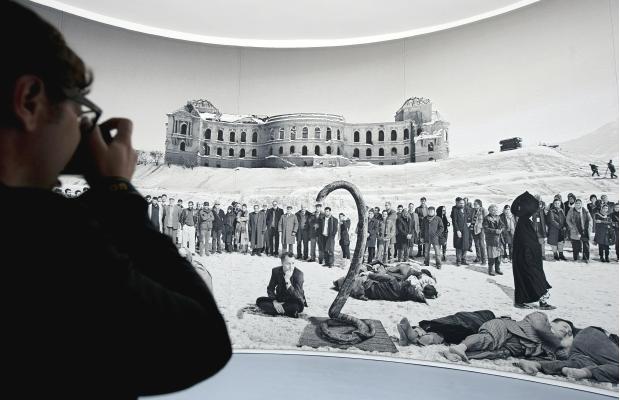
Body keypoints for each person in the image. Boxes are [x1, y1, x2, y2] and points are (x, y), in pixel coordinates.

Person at [0, 2, 231, 396]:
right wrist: (116, 192)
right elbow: (201, 342)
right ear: (30, 101)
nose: (83, 130)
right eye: (81, 111)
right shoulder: (43, 234)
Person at [442, 312, 571, 363]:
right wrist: (560, 343)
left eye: (568, 333)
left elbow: (563, 356)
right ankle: (461, 347)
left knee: (493, 354)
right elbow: (538, 328)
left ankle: (455, 354)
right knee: (488, 339)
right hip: (506, 328)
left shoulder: (548, 347)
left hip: (512, 348)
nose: (566, 331)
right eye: (565, 326)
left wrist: (568, 342)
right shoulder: (541, 317)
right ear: (554, 322)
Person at [518, 326, 618, 384]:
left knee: (578, 364)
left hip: (580, 350)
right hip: (590, 337)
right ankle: (586, 372)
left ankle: (537, 364)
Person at [511, 192, 555, 310]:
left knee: (531, 278)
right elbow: (525, 243)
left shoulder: (525, 221)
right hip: (527, 259)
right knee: (533, 278)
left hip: (530, 258)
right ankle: (531, 301)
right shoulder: (524, 223)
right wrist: (530, 257)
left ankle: (529, 301)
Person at [255, 252, 306, 318]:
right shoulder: (276, 271)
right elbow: (270, 289)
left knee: (295, 307)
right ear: (282, 263)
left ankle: (277, 310)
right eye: (288, 264)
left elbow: (298, 296)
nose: (291, 267)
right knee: (259, 301)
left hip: (294, 301)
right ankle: (285, 311)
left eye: (293, 263)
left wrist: (288, 281)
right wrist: (275, 301)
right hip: (279, 299)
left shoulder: (299, 274)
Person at [333, 270, 434, 303]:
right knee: (356, 284)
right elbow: (415, 295)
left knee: (356, 280)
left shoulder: (393, 281)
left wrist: (368, 274)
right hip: (372, 294)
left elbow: (376, 276)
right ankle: (343, 285)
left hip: (369, 287)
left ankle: (339, 283)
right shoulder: (403, 296)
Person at [483, 204, 504, 276]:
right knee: (491, 255)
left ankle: (497, 269)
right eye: (492, 210)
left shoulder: (498, 217)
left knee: (498, 255)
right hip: (491, 240)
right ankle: (490, 270)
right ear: (489, 210)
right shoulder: (486, 218)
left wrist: (501, 229)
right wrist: (495, 231)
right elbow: (486, 229)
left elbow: (503, 225)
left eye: (495, 210)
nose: (494, 211)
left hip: (499, 239)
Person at [452, 197, 471, 266]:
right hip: (459, 230)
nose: (462, 204)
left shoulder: (466, 209)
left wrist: (469, 222)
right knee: (459, 245)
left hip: (466, 230)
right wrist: (457, 230)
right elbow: (454, 222)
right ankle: (458, 260)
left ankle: (464, 260)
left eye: (463, 203)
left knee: (465, 245)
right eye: (460, 203)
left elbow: (469, 217)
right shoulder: (455, 210)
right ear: (458, 203)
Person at [532, 195, 548, 260]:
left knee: (541, 242)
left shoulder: (544, 208)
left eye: (539, 200)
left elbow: (546, 217)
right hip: (534, 227)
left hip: (541, 227)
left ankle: (542, 255)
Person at [472, 199, 487, 265]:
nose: (475, 205)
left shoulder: (483, 210)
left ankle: (484, 260)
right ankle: (478, 257)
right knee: (476, 244)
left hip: (481, 229)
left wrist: (482, 227)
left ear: (480, 204)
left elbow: (486, 220)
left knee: (481, 244)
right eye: (474, 204)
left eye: (476, 204)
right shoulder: (473, 210)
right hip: (473, 229)